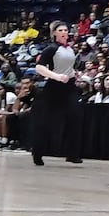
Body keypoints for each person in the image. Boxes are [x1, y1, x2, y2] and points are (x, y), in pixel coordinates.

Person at [31, 22, 85, 165]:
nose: (64, 32)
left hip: (69, 87)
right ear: (54, 33)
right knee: (46, 122)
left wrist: (76, 74)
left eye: (66, 30)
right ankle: (37, 153)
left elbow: (68, 68)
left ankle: (72, 154)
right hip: (54, 88)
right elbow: (39, 68)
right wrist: (57, 76)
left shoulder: (70, 50)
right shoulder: (51, 49)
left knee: (75, 118)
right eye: (60, 30)